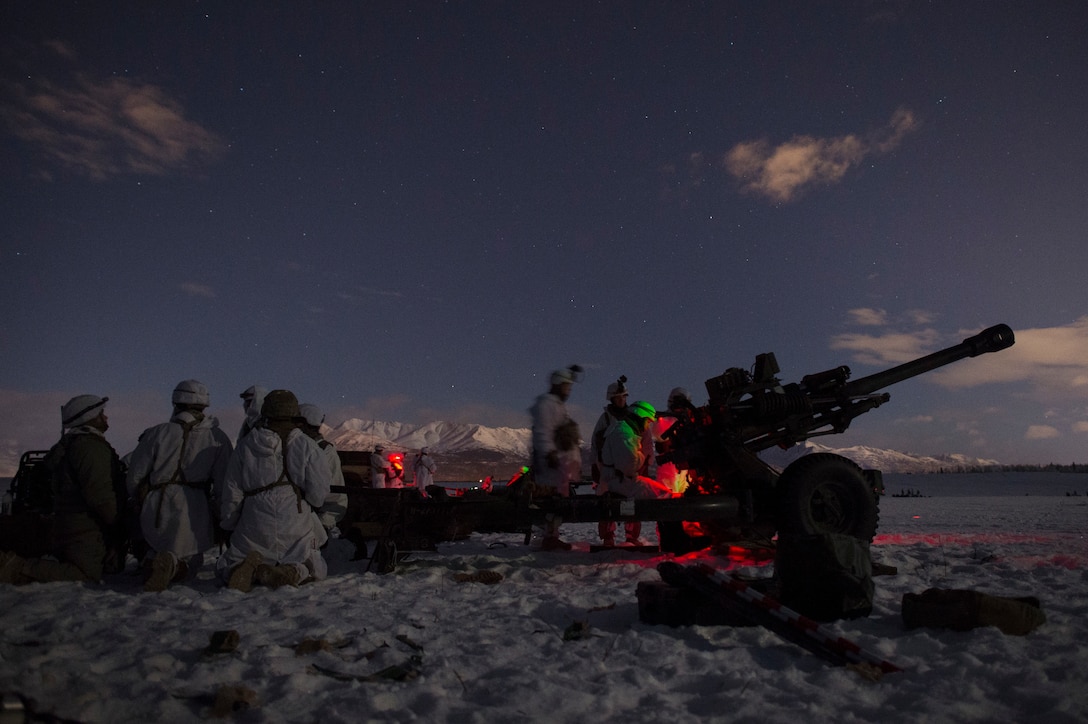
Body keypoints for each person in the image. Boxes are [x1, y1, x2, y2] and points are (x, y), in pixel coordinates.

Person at [0, 395, 127, 585]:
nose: (106, 418)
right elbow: (100, 497)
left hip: (66, 525)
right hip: (84, 530)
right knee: (86, 575)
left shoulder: (69, 445)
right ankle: (16, 568)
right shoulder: (90, 448)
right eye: (101, 413)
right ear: (90, 417)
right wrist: (121, 525)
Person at [216, 390, 331, 591]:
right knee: (312, 564)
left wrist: (229, 522)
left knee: (231, 562)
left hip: (254, 519)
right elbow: (319, 494)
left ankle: (246, 569)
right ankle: (292, 571)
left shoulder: (245, 445)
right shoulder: (306, 445)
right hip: (294, 519)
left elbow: (232, 491)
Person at [126, 380, 233, 591]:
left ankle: (154, 565)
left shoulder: (157, 432)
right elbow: (223, 483)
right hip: (194, 509)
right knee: (190, 561)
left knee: (155, 548)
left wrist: (138, 498)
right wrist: (222, 514)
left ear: (176, 402)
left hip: (156, 504)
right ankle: (173, 568)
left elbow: (135, 475)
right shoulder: (217, 437)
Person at [597, 400, 669, 547]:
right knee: (665, 496)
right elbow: (629, 465)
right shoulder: (624, 434)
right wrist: (641, 455)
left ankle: (626, 537)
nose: (647, 426)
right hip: (620, 482)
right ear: (640, 417)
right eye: (647, 421)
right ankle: (670, 539)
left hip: (618, 480)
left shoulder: (622, 429)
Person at [529, 365, 583, 551]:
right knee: (552, 502)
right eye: (567, 386)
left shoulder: (557, 405)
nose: (569, 391)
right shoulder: (546, 405)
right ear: (558, 385)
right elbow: (543, 432)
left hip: (560, 467)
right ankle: (548, 538)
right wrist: (549, 454)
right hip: (551, 466)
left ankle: (551, 536)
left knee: (558, 501)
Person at [298, 403, 348, 537]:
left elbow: (336, 496)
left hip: (313, 524)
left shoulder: (325, 451)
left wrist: (322, 524)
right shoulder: (294, 448)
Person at [590, 375, 629, 484]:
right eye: (618, 397)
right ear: (612, 399)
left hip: (628, 465)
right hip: (608, 466)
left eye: (623, 397)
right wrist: (594, 464)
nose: (621, 400)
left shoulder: (632, 417)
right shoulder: (605, 418)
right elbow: (595, 442)